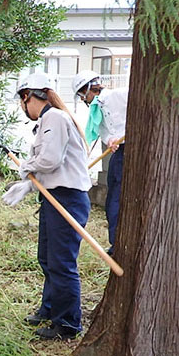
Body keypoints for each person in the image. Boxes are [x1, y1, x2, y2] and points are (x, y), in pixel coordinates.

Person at [2, 72, 91, 341]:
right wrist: (27, 185)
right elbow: (46, 166)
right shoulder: (46, 122)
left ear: (28, 96)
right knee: (48, 259)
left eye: (22, 101)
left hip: (68, 199)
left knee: (62, 264)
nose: (23, 108)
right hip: (53, 198)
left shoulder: (55, 117)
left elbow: (50, 160)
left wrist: (25, 168)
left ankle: (67, 324)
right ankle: (50, 309)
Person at [73, 70, 127, 252]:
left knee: (119, 198)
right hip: (119, 154)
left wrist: (119, 136)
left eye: (82, 94)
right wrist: (111, 139)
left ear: (90, 88)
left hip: (133, 149)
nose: (82, 99)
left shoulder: (119, 95)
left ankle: (118, 244)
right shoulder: (97, 110)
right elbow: (105, 134)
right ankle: (116, 242)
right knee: (113, 196)